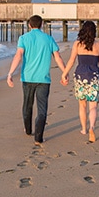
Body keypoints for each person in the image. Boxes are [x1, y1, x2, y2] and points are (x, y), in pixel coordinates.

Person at [7, 15, 67, 145]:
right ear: (42, 24)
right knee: (42, 109)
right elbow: (58, 57)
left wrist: (10, 73)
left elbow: (18, 55)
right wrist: (65, 72)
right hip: (43, 79)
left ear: (29, 25)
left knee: (27, 105)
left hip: (28, 78)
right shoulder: (49, 39)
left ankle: (28, 130)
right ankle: (38, 138)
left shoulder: (23, 38)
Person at [60, 20, 99, 143]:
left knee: (82, 104)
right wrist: (98, 76)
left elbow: (71, 60)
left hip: (80, 75)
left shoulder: (77, 44)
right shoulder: (98, 45)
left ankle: (84, 129)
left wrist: (64, 74)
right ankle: (92, 127)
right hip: (94, 75)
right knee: (93, 105)